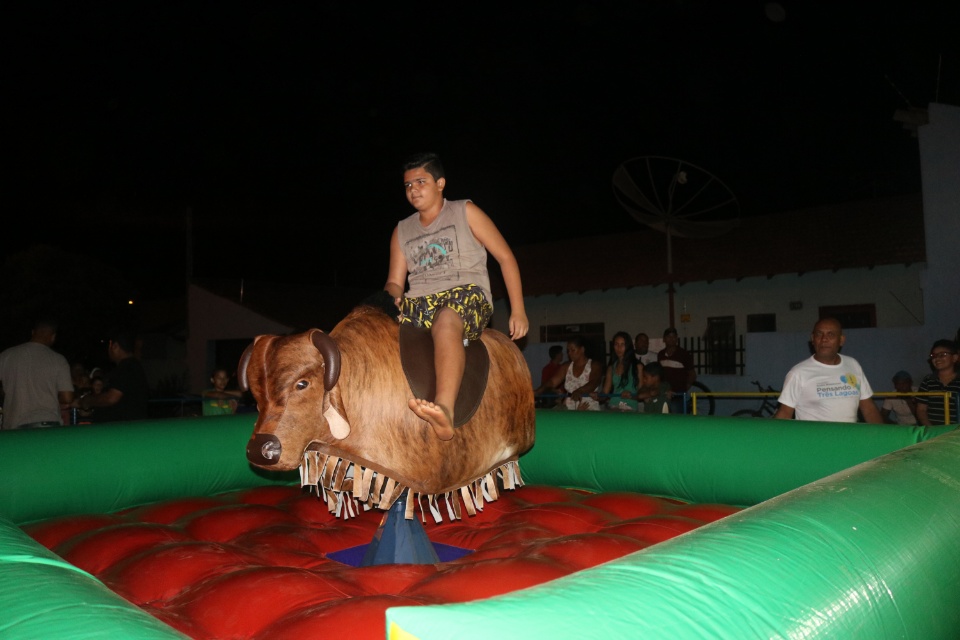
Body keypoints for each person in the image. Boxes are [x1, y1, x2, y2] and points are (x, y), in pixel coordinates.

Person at [384, 152, 528, 440]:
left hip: (466, 295)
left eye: (421, 182)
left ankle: (445, 411)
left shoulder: (465, 211)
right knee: (371, 327)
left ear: (440, 183)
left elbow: (506, 258)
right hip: (420, 301)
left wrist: (518, 309)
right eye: (408, 185)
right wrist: (389, 300)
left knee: (446, 319)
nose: (413, 190)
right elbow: (394, 282)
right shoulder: (401, 230)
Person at [773, 317, 882, 423]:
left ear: (841, 340)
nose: (824, 339)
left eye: (831, 334)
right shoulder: (798, 373)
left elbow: (868, 408)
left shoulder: (853, 365)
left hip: (848, 440)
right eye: (819, 334)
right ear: (812, 339)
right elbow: (784, 414)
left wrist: (882, 437)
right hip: (814, 441)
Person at [0, 317, 75, 429]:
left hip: (15, 425)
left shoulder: (6, 355)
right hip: (48, 423)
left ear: (33, 332)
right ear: (53, 336)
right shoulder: (58, 359)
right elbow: (67, 398)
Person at [71, 330, 149, 423]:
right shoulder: (130, 367)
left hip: (121, 430)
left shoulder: (127, 367)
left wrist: (86, 401)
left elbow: (111, 398)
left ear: (114, 346)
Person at [534, 336, 603, 411]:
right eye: (568, 351)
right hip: (569, 409)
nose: (569, 353)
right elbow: (552, 382)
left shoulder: (594, 365)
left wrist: (580, 390)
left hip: (588, 408)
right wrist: (538, 391)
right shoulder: (566, 366)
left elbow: (594, 382)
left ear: (582, 349)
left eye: (573, 350)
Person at [916, 339, 960, 426]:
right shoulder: (928, 381)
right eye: (934, 355)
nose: (937, 358)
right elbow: (921, 410)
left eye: (942, 355)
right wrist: (931, 430)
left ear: (955, 358)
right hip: (934, 432)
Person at [657, 327, 696, 414]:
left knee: (678, 418)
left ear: (677, 338)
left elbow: (692, 374)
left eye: (674, 337)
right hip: (664, 394)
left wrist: (684, 388)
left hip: (678, 394)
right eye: (669, 337)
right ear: (664, 339)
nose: (671, 339)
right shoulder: (661, 354)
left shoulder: (684, 354)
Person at [600, 331, 639, 411]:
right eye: (616, 344)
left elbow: (642, 390)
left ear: (628, 346)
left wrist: (631, 395)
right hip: (614, 405)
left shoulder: (637, 366)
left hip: (630, 406)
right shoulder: (611, 368)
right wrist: (597, 396)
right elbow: (605, 392)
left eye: (622, 344)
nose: (619, 348)